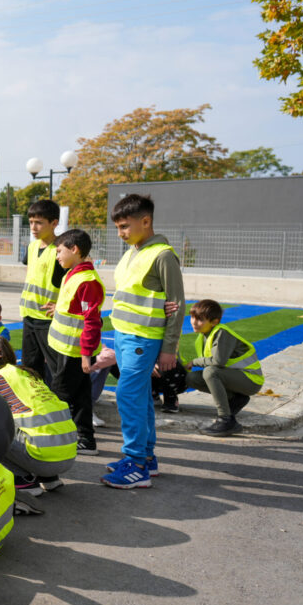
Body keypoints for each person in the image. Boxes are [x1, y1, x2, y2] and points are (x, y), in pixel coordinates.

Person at [103, 194, 184, 490]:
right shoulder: (132, 252)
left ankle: (135, 465)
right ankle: (147, 458)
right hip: (125, 335)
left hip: (143, 339)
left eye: (125, 226)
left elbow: (176, 303)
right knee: (138, 398)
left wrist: (169, 348)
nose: (121, 233)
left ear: (146, 221)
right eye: (118, 228)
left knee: (126, 395)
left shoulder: (162, 255)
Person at [0, 337, 77, 496]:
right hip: (67, 456)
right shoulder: (27, 373)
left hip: (44, 459)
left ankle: (21, 479)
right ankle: (48, 478)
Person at [44, 229, 105, 456]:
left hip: (75, 353)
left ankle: (49, 440)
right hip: (67, 349)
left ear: (74, 250)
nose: (57, 256)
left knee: (57, 396)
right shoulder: (73, 273)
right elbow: (75, 309)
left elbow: (92, 321)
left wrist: (86, 354)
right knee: (80, 396)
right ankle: (86, 439)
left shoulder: (87, 281)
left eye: (59, 251)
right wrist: (56, 309)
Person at [186, 299, 264, 437]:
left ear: (214, 322)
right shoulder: (202, 337)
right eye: (192, 317)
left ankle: (226, 420)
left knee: (211, 372)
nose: (193, 322)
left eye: (199, 319)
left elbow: (218, 361)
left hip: (251, 380)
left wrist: (194, 362)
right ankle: (236, 399)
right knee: (192, 378)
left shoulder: (221, 333)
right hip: (236, 377)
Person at [19, 200, 66, 381]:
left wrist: (60, 306)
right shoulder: (32, 247)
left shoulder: (61, 250)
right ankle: (35, 402)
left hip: (48, 319)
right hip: (28, 315)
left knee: (56, 367)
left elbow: (70, 283)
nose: (33, 227)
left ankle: (61, 404)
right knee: (29, 366)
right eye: (31, 222)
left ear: (54, 223)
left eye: (38, 222)